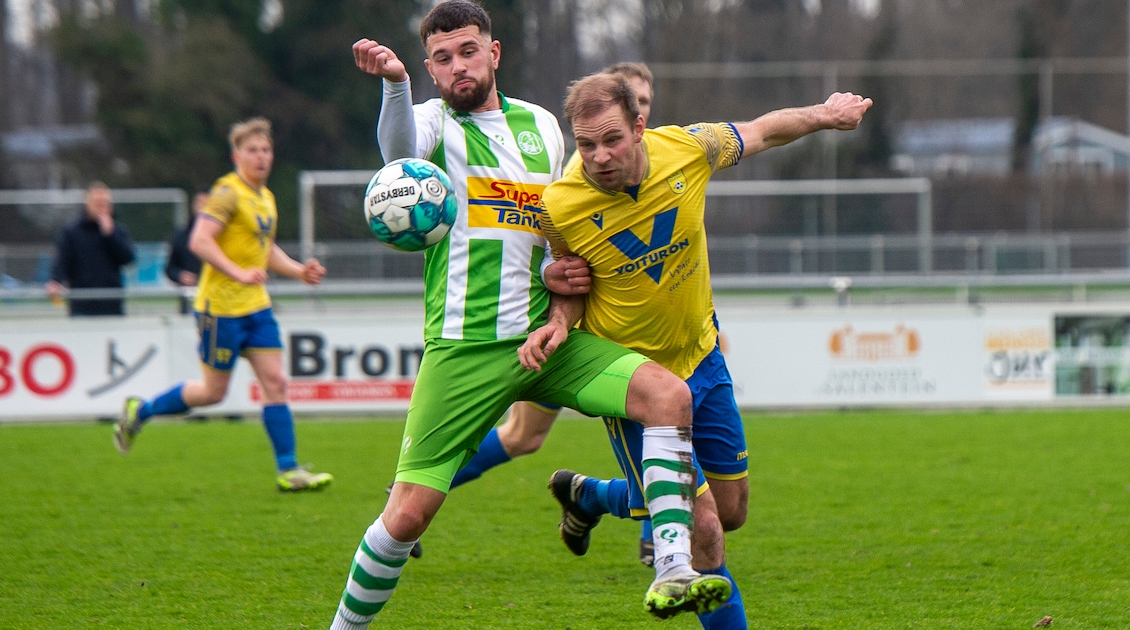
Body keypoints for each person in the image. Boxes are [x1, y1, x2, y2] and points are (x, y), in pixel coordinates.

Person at [339, 2, 729, 626]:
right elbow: (396, 160)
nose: (457, 66)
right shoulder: (433, 123)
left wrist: (560, 278)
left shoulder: (546, 127)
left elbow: (564, 231)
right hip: (465, 346)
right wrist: (394, 84)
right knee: (408, 515)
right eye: (442, 58)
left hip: (550, 340)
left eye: (468, 51)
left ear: (493, 53)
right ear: (431, 70)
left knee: (666, 395)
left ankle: (671, 566)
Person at [522, 71, 873, 630]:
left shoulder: (688, 147)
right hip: (634, 382)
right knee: (703, 526)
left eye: (611, 139)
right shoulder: (560, 205)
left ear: (640, 126)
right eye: (586, 144)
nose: (599, 156)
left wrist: (825, 115)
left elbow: (762, 131)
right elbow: (567, 281)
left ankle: (591, 496)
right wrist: (560, 319)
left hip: (703, 361)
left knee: (731, 514)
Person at [444, 61, 662, 566]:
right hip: (582, 333)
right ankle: (419, 484)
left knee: (661, 423)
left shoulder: (660, 168)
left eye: (646, 102)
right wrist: (552, 285)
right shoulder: (579, 179)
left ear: (639, 118)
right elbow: (547, 250)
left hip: (646, 330)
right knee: (523, 436)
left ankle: (618, 513)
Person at [113, 117, 334, 493]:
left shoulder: (266, 198)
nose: (261, 157)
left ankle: (289, 469)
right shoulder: (227, 193)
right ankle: (140, 411)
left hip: (256, 308)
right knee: (213, 392)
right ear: (237, 156)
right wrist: (238, 272)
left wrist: (300, 272)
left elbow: (264, 251)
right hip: (220, 309)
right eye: (252, 150)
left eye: (266, 150)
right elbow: (200, 241)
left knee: (276, 382)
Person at [46, 181, 136, 316]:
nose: (102, 208)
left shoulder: (118, 231)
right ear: (88, 204)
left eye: (105, 204)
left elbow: (128, 259)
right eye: (98, 204)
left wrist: (110, 236)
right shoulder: (72, 232)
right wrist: (56, 281)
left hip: (111, 305)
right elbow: (62, 261)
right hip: (82, 305)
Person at [165, 192, 207, 314]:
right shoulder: (181, 235)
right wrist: (180, 275)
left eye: (207, 203)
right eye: (200, 203)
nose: (203, 207)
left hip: (216, 300)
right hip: (188, 299)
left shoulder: (223, 237)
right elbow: (170, 268)